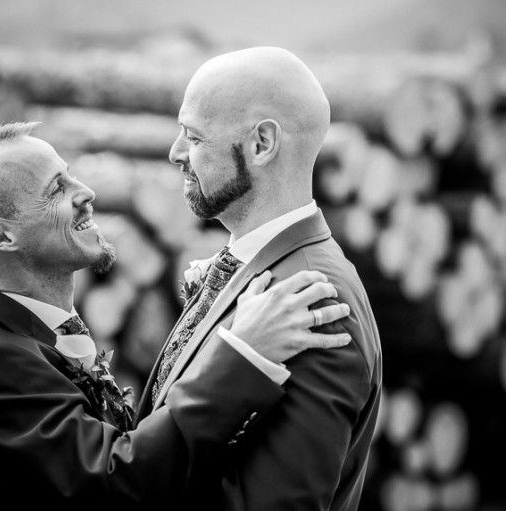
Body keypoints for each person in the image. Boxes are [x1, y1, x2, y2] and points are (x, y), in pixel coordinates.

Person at [0, 122, 353, 510]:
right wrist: (243, 356)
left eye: (71, 173)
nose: (86, 192)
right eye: (56, 189)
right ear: (1, 235)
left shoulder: (39, 335)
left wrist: (212, 306)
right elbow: (124, 481)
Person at [135, 47, 383, 510]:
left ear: (262, 144)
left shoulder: (310, 304)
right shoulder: (259, 270)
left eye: (193, 136)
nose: (175, 153)